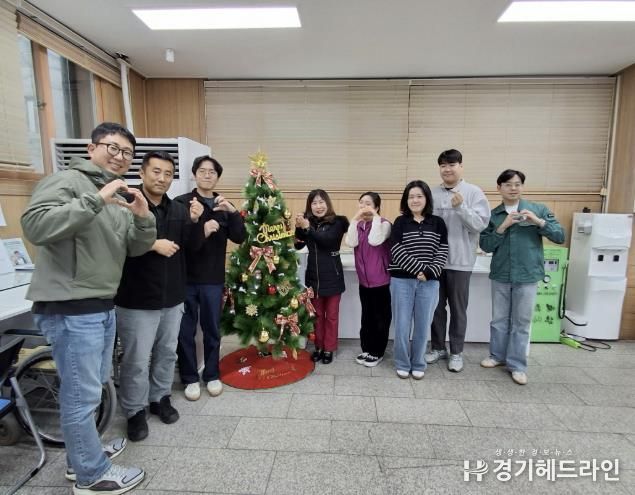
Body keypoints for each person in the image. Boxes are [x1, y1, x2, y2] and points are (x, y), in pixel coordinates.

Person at [21, 122, 155, 494]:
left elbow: (135, 248)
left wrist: (144, 217)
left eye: (127, 152)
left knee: (94, 388)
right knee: (81, 395)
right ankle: (90, 474)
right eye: (113, 147)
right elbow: (35, 226)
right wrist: (96, 199)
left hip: (99, 304)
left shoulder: (119, 194)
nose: (120, 156)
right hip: (70, 306)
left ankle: (83, 455)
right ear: (91, 148)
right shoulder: (68, 180)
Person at [114, 150, 204, 441]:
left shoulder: (178, 208)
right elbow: (116, 241)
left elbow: (191, 247)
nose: (162, 178)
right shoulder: (125, 202)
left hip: (172, 295)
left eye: (167, 173)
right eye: (156, 171)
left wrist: (194, 221)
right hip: (136, 297)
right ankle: (134, 411)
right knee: (137, 359)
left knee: (167, 352)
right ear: (141, 173)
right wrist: (152, 244)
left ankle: (160, 397)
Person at [479, 169, 564, 385]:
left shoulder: (538, 210)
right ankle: (497, 356)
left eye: (517, 184)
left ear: (522, 187)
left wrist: (538, 222)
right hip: (501, 273)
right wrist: (503, 226)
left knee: (522, 322)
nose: (513, 188)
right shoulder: (494, 215)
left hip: (528, 274)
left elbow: (560, 236)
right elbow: (485, 245)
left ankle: (517, 365)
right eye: (508, 184)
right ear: (499, 188)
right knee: (499, 319)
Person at [174, 155, 246, 401]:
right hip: (185, 279)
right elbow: (179, 240)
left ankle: (212, 374)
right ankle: (189, 378)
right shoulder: (181, 203)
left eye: (212, 172)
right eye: (202, 171)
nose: (207, 175)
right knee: (185, 331)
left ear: (217, 177)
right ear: (194, 174)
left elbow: (239, 237)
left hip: (213, 279)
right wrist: (201, 228)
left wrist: (233, 212)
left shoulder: (223, 205)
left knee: (212, 329)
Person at [426, 149, 490, 372]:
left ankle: (456, 352)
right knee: (435, 308)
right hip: (434, 261)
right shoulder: (431, 193)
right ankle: (437, 348)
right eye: (443, 165)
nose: (447, 169)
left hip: (460, 262)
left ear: (461, 166)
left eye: (452, 164)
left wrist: (461, 207)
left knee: (458, 309)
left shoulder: (474, 192)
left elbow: (480, 225)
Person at [388, 180, 448, 379]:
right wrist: (418, 270)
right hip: (402, 280)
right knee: (402, 324)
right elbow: (396, 250)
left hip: (430, 282)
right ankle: (402, 362)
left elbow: (442, 250)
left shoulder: (438, 223)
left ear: (427, 198)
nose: (415, 200)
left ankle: (418, 362)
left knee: (423, 324)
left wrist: (429, 272)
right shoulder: (400, 222)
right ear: (406, 200)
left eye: (419, 196)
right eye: (411, 196)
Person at [295, 189, 349, 364]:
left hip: (333, 276)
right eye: (314, 203)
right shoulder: (308, 223)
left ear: (327, 203)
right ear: (309, 206)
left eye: (321, 202)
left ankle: (329, 348)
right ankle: (318, 346)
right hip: (313, 278)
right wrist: (298, 228)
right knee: (316, 316)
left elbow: (328, 241)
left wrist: (307, 228)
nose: (318, 206)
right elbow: (298, 245)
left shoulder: (338, 222)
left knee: (331, 316)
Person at [345, 192, 392, 367]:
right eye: (361, 203)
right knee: (367, 317)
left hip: (381, 281)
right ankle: (367, 348)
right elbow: (350, 242)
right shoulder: (358, 225)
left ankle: (377, 352)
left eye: (368, 203)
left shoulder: (385, 224)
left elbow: (374, 240)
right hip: (364, 281)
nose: (364, 206)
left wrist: (375, 217)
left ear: (377, 207)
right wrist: (354, 220)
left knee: (381, 318)